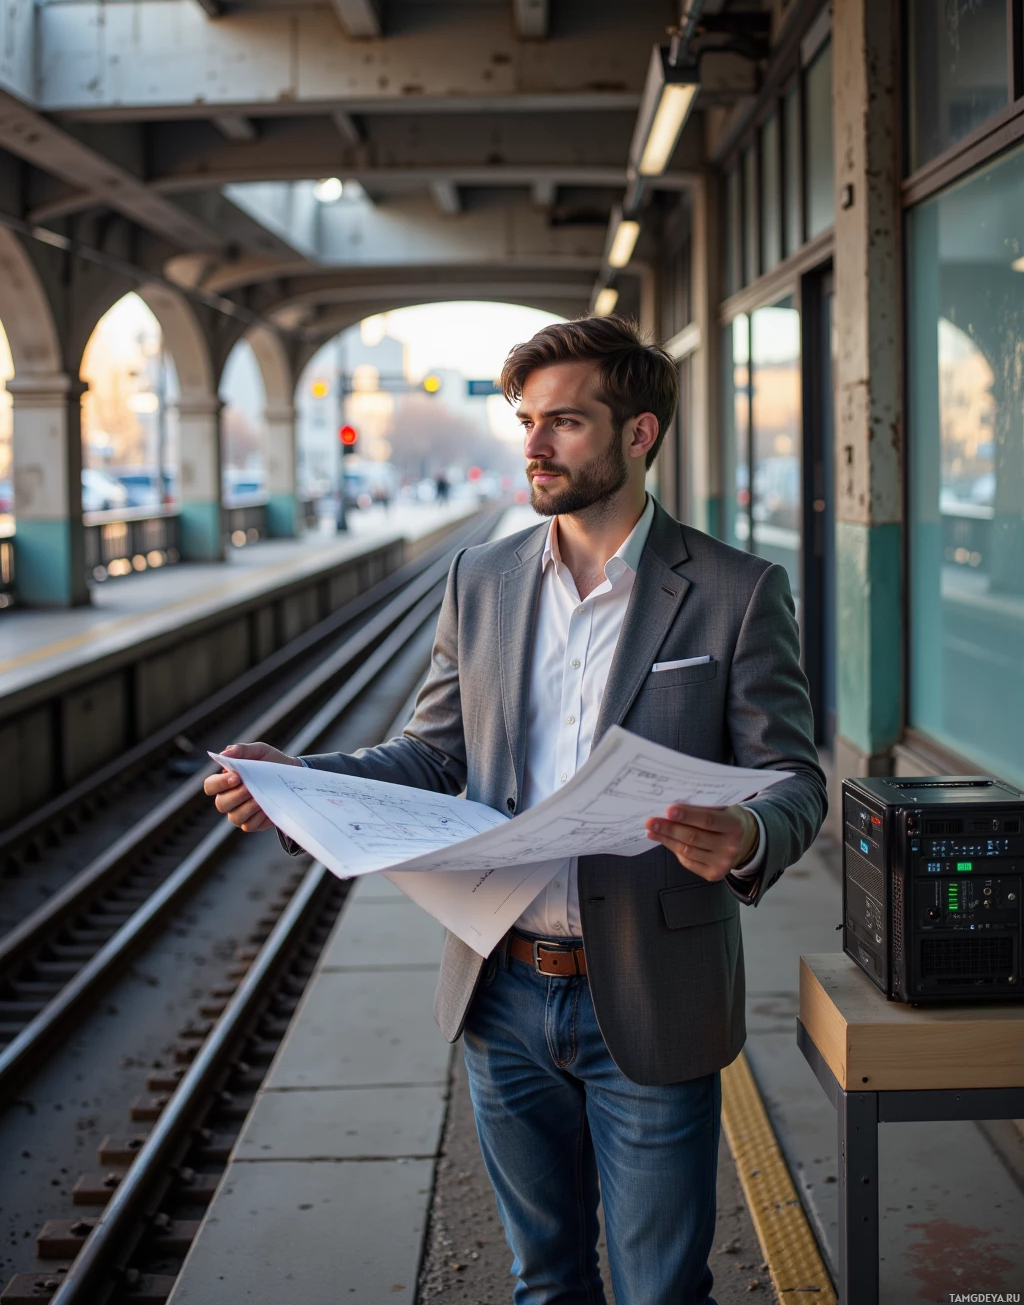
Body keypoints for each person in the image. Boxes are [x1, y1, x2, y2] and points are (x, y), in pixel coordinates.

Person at [204, 314, 826, 1305]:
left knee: (661, 1291)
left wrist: (751, 832)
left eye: (565, 422)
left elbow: (795, 778)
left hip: (654, 991)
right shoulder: (481, 578)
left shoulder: (736, 590)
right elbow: (433, 750)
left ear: (638, 434)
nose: (533, 446)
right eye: (526, 421)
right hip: (503, 990)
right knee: (542, 1284)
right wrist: (298, 782)